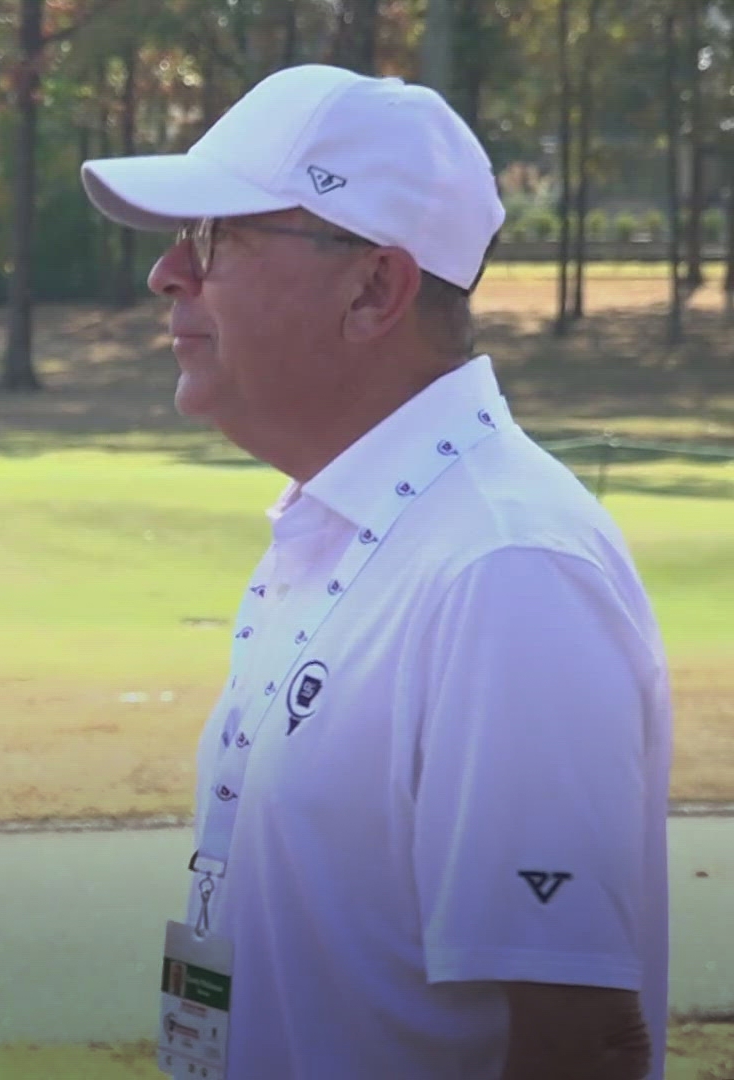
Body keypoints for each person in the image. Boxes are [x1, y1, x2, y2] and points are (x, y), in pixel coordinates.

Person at [79, 64, 671, 1079]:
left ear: (374, 289)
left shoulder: (502, 569)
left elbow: (584, 1042)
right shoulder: (347, 529)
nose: (167, 271)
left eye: (216, 235)